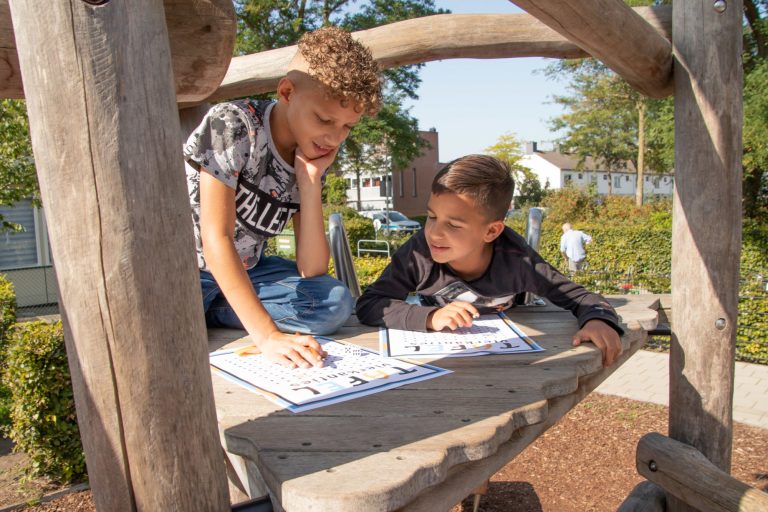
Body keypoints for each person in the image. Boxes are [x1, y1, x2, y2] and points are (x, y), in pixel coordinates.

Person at [183, 27, 381, 369]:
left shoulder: (313, 151)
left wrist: (310, 183)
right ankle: (226, 307)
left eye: (347, 127)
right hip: (187, 271)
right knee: (171, 320)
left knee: (333, 301)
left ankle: (222, 306)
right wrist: (266, 336)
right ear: (287, 91)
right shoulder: (233, 124)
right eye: (324, 119)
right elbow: (216, 238)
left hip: (251, 271)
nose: (334, 137)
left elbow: (313, 270)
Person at [356, 155, 623, 367]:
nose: (434, 233)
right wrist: (430, 317)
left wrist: (598, 320)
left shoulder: (518, 261)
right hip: (438, 358)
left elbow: (580, 297)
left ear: (492, 231)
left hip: (514, 360)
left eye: (454, 225)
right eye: (432, 217)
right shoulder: (418, 254)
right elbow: (370, 304)